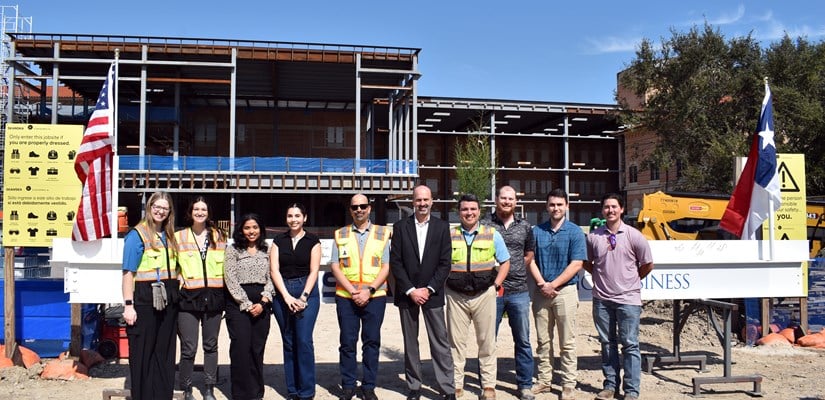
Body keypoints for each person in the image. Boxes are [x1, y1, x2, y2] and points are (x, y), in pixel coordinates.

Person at [583, 193, 654, 400]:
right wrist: (598, 276)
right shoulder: (594, 237)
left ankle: (631, 390)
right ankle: (610, 385)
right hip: (602, 300)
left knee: (630, 344)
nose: (610, 210)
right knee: (607, 343)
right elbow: (587, 262)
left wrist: (631, 281)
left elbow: (648, 264)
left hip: (628, 300)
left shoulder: (634, 235)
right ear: (602, 211)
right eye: (606, 207)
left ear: (621, 209)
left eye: (614, 207)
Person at [390, 185, 456, 400]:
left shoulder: (442, 227)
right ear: (413, 202)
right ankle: (414, 386)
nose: (422, 204)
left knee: (440, 342)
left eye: (426, 200)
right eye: (418, 200)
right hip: (407, 294)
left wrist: (428, 289)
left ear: (432, 201)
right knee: (411, 343)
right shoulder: (400, 227)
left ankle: (447, 388)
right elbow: (396, 263)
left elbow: (445, 263)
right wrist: (410, 290)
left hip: (432, 294)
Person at [446, 193, 510, 400]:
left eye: (473, 209)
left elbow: (505, 262)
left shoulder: (492, 234)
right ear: (459, 212)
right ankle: (456, 385)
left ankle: (488, 386)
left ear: (479, 211)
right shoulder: (449, 235)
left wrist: (496, 285)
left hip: (484, 295)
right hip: (456, 296)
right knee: (456, 343)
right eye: (465, 209)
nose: (469, 213)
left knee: (487, 342)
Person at [329, 194, 391, 400]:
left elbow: (386, 266)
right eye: (355, 207)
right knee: (347, 342)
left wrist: (369, 290)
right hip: (346, 297)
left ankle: (368, 386)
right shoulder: (340, 234)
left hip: (375, 296)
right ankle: (348, 385)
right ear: (350, 210)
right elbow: (335, 265)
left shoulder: (383, 233)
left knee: (371, 342)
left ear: (369, 208)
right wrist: (352, 290)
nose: (359, 210)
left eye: (363, 206)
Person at [529, 189, 587, 400]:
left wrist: (553, 284)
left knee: (567, 342)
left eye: (559, 205)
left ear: (567, 206)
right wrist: (543, 283)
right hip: (541, 292)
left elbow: (577, 263)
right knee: (543, 341)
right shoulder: (537, 231)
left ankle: (568, 383)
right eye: (552, 205)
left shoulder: (575, 232)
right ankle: (545, 380)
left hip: (566, 292)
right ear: (547, 207)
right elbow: (531, 260)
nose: (556, 208)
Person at [121, 191, 179, 400]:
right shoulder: (137, 235)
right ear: (149, 207)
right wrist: (128, 305)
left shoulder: (169, 235)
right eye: (157, 206)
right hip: (145, 303)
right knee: (143, 355)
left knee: (164, 354)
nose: (160, 211)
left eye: (165, 208)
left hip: (168, 303)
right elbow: (128, 273)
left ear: (169, 211)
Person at [482, 186, 536, 400]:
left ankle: (525, 385)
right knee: (488, 340)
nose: (506, 201)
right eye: (503, 198)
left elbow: (530, 252)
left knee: (523, 340)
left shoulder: (525, 226)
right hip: (492, 291)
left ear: (516, 201)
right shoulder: (485, 224)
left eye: (510, 198)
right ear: (496, 200)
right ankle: (487, 385)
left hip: (519, 291)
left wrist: (517, 266)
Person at [175, 196, 227, 400]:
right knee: (188, 347)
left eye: (203, 209)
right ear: (190, 212)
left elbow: (226, 267)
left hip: (213, 298)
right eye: (196, 209)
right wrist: (181, 282)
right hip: (187, 299)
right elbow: (173, 266)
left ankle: (209, 388)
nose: (199, 212)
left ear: (208, 213)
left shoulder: (219, 236)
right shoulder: (179, 237)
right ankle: (186, 388)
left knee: (211, 345)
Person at [271, 203, 322, 400]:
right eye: (290, 216)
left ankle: (307, 391)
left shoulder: (313, 241)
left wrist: (303, 297)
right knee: (289, 341)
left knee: (303, 341)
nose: (293, 219)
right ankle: (292, 390)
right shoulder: (278, 241)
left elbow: (314, 271)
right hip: (282, 292)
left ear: (305, 218)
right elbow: (274, 270)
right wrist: (285, 297)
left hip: (306, 292)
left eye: (297, 215)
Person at [223, 213, 275, 400]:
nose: (251, 231)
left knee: (256, 348)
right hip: (238, 305)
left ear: (260, 229)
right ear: (241, 230)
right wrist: (245, 303)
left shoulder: (268, 249)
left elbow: (273, 277)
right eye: (247, 228)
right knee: (240, 348)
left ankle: (255, 393)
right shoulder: (233, 249)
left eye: (255, 227)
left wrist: (263, 302)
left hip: (262, 304)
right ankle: (240, 393)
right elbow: (230, 278)